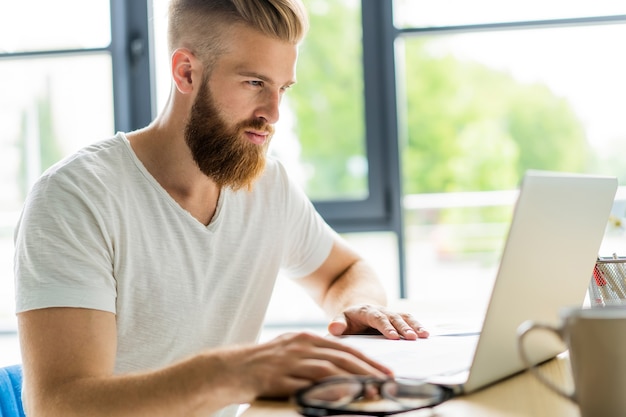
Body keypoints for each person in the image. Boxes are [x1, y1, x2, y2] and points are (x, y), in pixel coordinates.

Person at [13, 1, 429, 416]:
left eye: (283, 88)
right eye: (254, 83)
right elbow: (56, 405)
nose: (273, 113)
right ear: (186, 72)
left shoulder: (269, 186)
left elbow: (345, 271)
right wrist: (231, 374)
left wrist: (355, 307)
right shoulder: (75, 198)